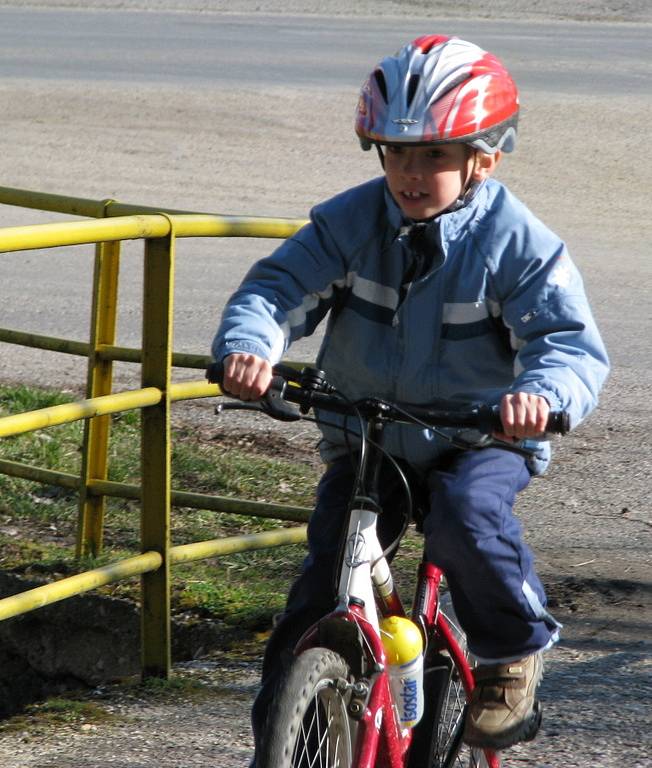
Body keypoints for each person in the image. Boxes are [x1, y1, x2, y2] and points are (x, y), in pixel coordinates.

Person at [212, 34, 609, 759]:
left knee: (465, 517)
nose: (410, 173)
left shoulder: (518, 242)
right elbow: (277, 290)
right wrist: (250, 349)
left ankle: (510, 657)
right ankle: (288, 731)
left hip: (478, 438)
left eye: (434, 155)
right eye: (395, 154)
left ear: (484, 159)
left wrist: (540, 397)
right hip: (369, 437)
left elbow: (566, 342)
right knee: (319, 589)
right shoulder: (350, 223)